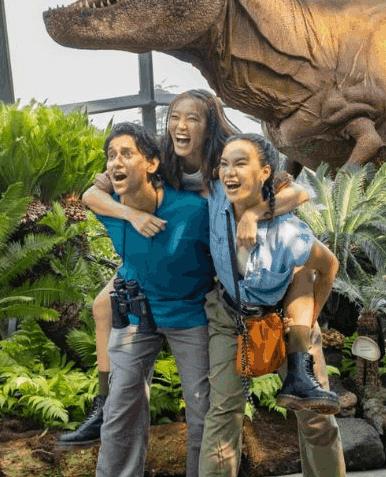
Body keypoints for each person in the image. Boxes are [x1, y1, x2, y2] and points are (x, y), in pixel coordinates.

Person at [189, 133, 383, 477]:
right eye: (224, 163)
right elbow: (301, 189)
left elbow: (327, 266)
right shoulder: (217, 198)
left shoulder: (291, 232)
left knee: (317, 415)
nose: (229, 172)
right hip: (229, 317)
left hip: (283, 320)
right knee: (223, 414)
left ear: (264, 174)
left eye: (241, 164)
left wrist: (309, 321)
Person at [63, 90, 305, 446]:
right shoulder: (161, 156)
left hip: (223, 252)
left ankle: (298, 371)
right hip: (172, 246)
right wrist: (133, 213)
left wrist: (254, 213)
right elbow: (92, 194)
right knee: (103, 305)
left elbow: (296, 193)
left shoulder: (228, 157)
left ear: (209, 125)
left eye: (192, 118)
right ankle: (103, 405)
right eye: (175, 116)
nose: (180, 125)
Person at [81, 122, 214, 477]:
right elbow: (89, 196)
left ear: (152, 163)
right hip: (137, 315)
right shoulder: (112, 207)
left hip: (190, 315)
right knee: (119, 411)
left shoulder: (192, 212)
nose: (116, 162)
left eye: (126, 154)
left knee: (202, 414)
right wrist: (131, 214)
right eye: (110, 155)